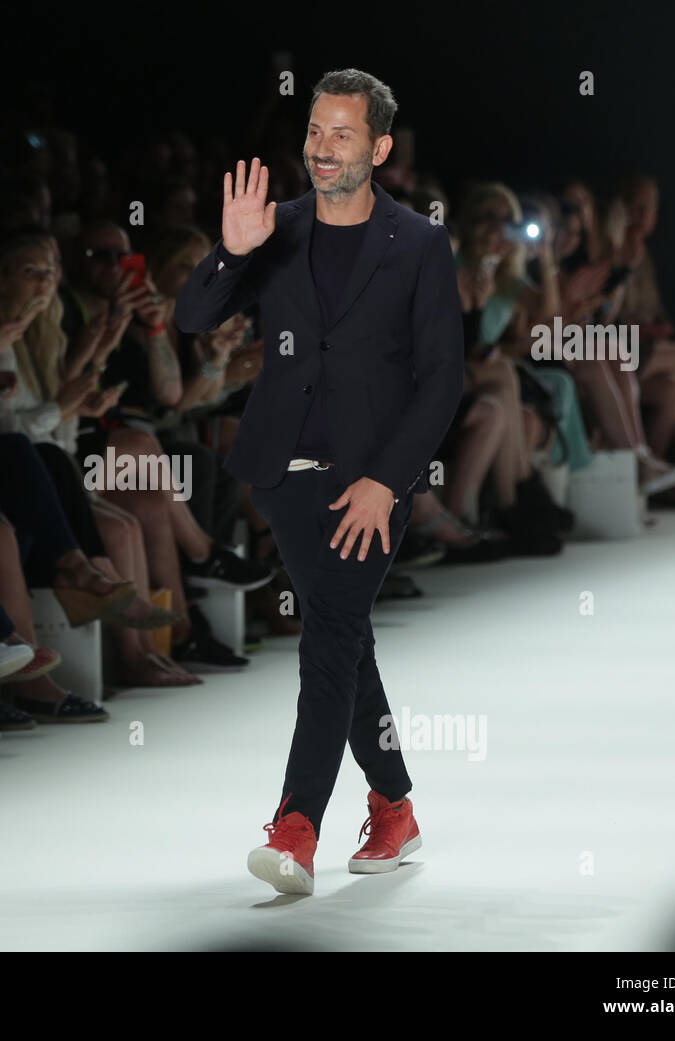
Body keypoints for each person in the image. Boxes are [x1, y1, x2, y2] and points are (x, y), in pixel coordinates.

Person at [174, 69, 464, 895]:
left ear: (378, 147)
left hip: (370, 484)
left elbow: (442, 378)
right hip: (283, 475)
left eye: (342, 134)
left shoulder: (419, 243)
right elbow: (193, 322)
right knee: (346, 637)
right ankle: (395, 802)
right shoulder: (277, 227)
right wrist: (232, 248)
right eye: (314, 130)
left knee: (330, 633)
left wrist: (387, 480)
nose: (322, 148)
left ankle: (296, 825)